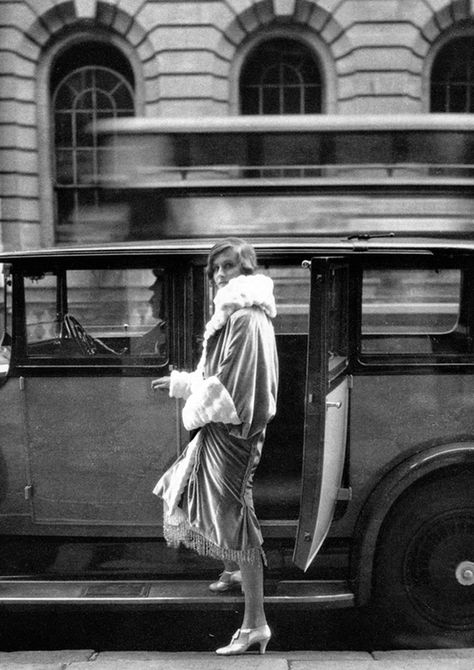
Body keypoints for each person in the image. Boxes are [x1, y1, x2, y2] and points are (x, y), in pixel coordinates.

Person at [152, 237, 278, 655]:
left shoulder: (244, 318)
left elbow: (229, 388)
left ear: (246, 270)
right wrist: (182, 383)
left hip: (233, 432)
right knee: (223, 508)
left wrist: (186, 394)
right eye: (215, 270)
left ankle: (254, 625)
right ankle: (234, 573)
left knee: (238, 517)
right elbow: (217, 374)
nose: (220, 275)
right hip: (227, 429)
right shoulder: (235, 314)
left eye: (228, 267)